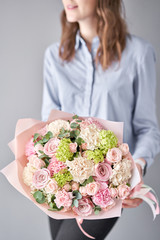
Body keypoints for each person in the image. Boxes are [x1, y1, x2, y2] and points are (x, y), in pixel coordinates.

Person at [41, 0, 160, 239]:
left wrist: (137, 166)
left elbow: (147, 127)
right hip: (62, 184)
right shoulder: (55, 56)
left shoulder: (138, 53)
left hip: (108, 187)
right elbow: (48, 125)